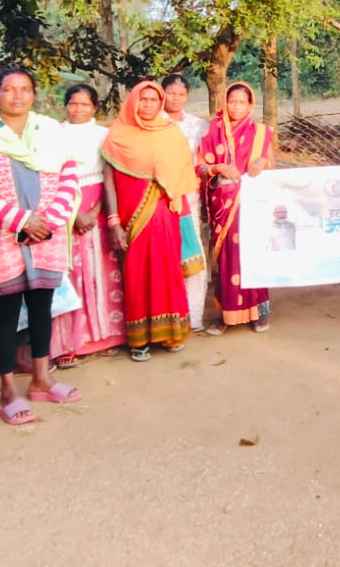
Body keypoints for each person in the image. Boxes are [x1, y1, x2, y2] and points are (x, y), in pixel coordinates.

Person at [0, 66, 83, 426]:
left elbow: (69, 177)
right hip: (1, 235)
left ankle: (43, 378)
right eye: (9, 89)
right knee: (6, 312)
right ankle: (8, 388)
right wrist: (20, 220)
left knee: (42, 306)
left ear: (34, 94)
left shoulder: (50, 130)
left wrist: (49, 220)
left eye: (24, 89)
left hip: (48, 234)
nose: (17, 96)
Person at [101, 80, 202, 361]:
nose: (148, 104)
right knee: (137, 274)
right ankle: (139, 339)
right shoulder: (117, 135)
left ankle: (170, 333)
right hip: (132, 218)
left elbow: (181, 177)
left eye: (153, 100)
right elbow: (108, 183)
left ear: (160, 104)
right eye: (143, 99)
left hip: (166, 214)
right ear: (133, 101)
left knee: (168, 272)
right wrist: (113, 223)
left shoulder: (170, 133)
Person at [54, 83, 126, 366]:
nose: (79, 109)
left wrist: (96, 210)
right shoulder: (54, 134)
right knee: (72, 274)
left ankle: (108, 336)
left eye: (85, 104)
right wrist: (74, 214)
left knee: (102, 271)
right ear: (66, 105)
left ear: (94, 107)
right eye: (73, 103)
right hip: (65, 208)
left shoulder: (103, 135)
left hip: (98, 205)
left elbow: (109, 177)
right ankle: (72, 343)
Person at [199, 81, 277, 333]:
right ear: (225, 102)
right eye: (232, 101)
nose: (236, 106)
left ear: (250, 105)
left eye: (241, 102)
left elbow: (272, 165)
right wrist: (217, 168)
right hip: (223, 203)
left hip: (251, 203)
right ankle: (225, 316)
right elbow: (199, 166)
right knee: (226, 259)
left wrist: (263, 161)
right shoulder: (213, 130)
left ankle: (259, 314)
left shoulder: (261, 133)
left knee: (253, 255)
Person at [161, 73, 211, 332]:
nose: (176, 98)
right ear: (162, 94)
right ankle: (170, 314)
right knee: (166, 254)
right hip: (160, 197)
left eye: (181, 94)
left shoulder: (197, 125)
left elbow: (205, 157)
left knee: (194, 251)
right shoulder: (153, 123)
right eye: (171, 93)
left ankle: (193, 316)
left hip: (191, 195)